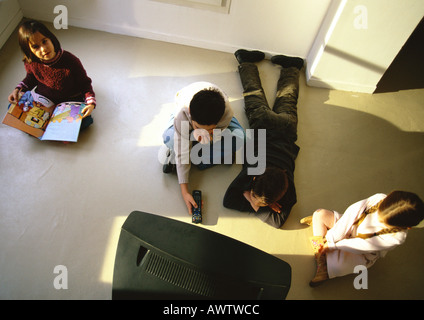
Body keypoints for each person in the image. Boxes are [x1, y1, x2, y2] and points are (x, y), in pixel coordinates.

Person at [223, 49, 304, 229]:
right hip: (263, 126)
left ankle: (292, 67)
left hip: (285, 129)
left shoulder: (260, 176)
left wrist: (250, 199)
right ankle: (246, 61)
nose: (256, 203)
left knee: (288, 99)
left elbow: (229, 201)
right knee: (253, 92)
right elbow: (277, 222)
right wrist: (251, 199)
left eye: (256, 201)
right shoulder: (255, 172)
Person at [301, 191, 424, 287]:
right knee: (320, 214)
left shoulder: (396, 238)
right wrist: (331, 238)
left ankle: (322, 261)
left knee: (337, 268)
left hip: (360, 252)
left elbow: (361, 245)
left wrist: (333, 246)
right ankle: (321, 254)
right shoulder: (379, 198)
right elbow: (350, 215)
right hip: (348, 228)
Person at [162, 82, 245, 215]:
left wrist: (213, 136)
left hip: (215, 117)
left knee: (241, 138)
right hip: (184, 108)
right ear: (190, 114)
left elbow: (219, 131)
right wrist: (185, 191)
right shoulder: (182, 114)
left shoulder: (226, 113)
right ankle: (201, 154)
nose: (203, 132)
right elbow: (183, 151)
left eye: (210, 129)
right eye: (197, 127)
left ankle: (196, 155)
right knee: (170, 139)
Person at [8, 20, 96, 131]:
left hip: (68, 101)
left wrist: (90, 103)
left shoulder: (71, 61)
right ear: (29, 50)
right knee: (14, 108)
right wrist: (18, 89)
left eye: (44, 41)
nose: (43, 49)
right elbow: (31, 78)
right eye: (35, 47)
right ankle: (50, 126)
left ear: (51, 38)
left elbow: (85, 83)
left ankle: (54, 126)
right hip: (44, 100)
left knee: (85, 121)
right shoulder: (31, 62)